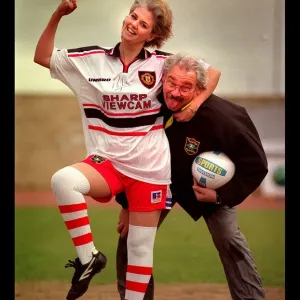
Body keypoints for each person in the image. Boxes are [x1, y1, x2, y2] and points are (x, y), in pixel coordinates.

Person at [33, 1, 221, 299]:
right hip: (106, 163)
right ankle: (88, 257)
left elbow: (211, 73)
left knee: (139, 249)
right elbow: (42, 56)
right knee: (63, 181)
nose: (133, 24)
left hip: (151, 171)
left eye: (143, 24)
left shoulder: (163, 64)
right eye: (133, 17)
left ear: (151, 35)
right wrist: (58, 15)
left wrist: (194, 104)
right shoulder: (91, 58)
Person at [116, 52, 268, 300]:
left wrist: (219, 195)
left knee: (229, 239)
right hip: (159, 181)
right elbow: (132, 153)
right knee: (130, 237)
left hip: (207, 189)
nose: (175, 92)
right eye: (171, 83)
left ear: (199, 89)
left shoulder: (225, 119)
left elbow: (256, 165)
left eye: (186, 87)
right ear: (162, 78)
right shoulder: (149, 106)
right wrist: (126, 205)